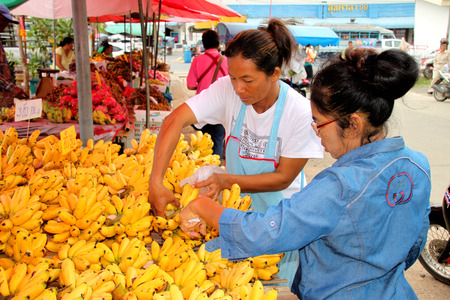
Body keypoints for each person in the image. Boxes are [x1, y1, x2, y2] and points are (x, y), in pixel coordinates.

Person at [178, 48, 431, 299]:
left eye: (318, 122)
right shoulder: (418, 166)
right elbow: (413, 246)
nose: (316, 131)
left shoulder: (339, 186)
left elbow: (266, 231)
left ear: (353, 125)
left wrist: (203, 207)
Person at [149, 19, 323, 286]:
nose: (239, 88)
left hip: (280, 222)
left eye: (248, 80)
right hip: (233, 215)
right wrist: (155, 182)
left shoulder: (298, 112)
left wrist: (225, 180)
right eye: (233, 78)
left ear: (275, 74)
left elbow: (283, 178)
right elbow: (174, 121)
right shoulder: (228, 91)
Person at [187, 30, 228, 157]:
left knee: (202, 141)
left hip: (203, 107)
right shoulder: (227, 61)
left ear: (203, 44)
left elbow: (190, 85)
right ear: (218, 44)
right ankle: (215, 170)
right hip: (221, 107)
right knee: (217, 141)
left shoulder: (197, 60)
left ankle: (201, 169)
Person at [0, 4, 28, 108]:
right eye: (3, 20)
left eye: (7, 21)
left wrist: (12, 89)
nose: (6, 24)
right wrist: (12, 88)